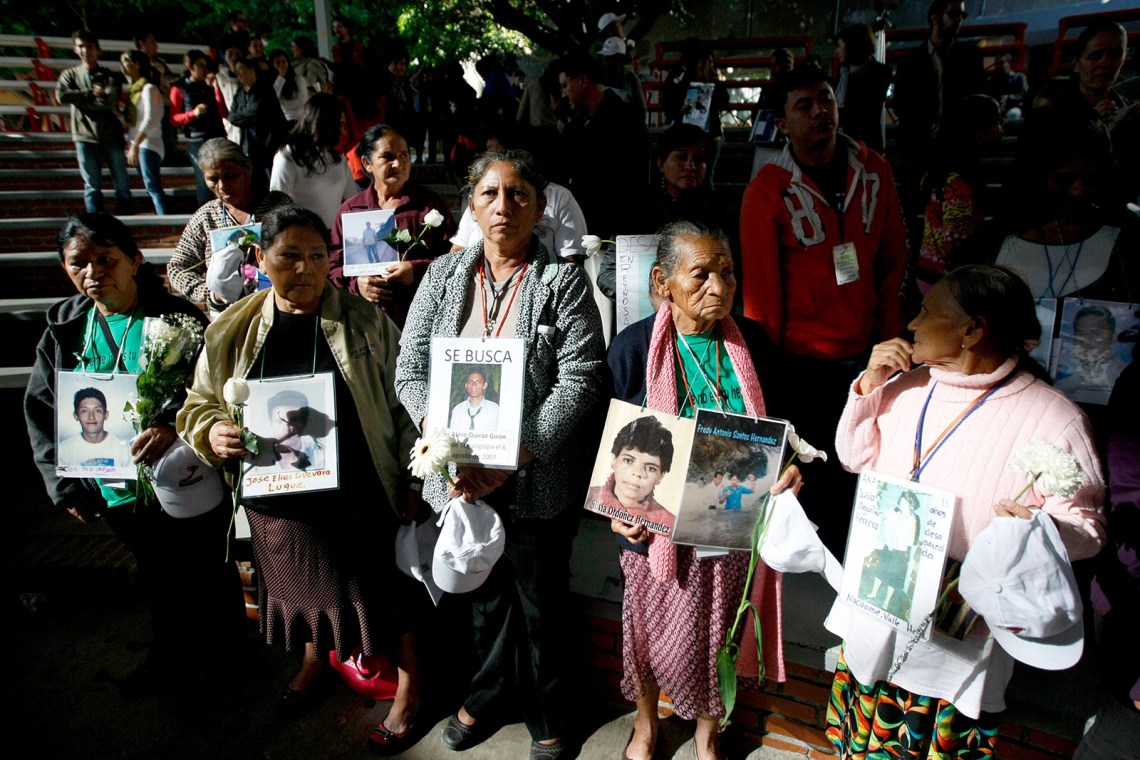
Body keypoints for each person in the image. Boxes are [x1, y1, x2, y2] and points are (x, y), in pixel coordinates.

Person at [825, 264, 1105, 758]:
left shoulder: (1055, 417)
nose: (911, 325)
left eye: (927, 312)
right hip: (881, 600)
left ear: (972, 330)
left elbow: (1089, 526)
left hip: (958, 626)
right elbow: (853, 457)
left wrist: (1038, 532)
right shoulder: (906, 387)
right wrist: (869, 385)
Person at [176, 205, 424, 750]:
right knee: (302, 590)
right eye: (289, 256)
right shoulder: (230, 329)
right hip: (279, 497)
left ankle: (410, 688)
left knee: (386, 593)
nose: (306, 269)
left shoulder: (363, 321)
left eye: (317, 256)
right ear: (261, 260)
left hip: (359, 488)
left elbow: (405, 403)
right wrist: (213, 432)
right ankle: (317, 661)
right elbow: (197, 404)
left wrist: (412, 475)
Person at [394, 150, 605, 760]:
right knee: (481, 596)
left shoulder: (560, 280)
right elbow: (410, 370)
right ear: (471, 205)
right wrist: (440, 436)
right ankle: (485, 697)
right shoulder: (442, 278)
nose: (503, 206)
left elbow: (582, 376)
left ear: (539, 207)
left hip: (533, 474)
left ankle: (549, 711)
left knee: (541, 602)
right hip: (460, 472)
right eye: (490, 194)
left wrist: (521, 448)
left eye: (518, 194)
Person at [25, 213, 243, 694]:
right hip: (111, 478)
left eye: (106, 259)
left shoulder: (175, 319)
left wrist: (170, 423)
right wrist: (63, 486)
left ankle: (225, 657)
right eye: (79, 263)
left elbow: (211, 388)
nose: (93, 272)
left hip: (182, 473)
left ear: (135, 260)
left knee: (207, 564)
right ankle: (168, 655)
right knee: (157, 572)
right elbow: (40, 407)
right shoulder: (65, 330)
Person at [604, 221, 798, 760]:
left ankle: (708, 733)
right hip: (652, 525)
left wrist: (787, 466)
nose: (720, 286)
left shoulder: (751, 342)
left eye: (728, 272)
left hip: (728, 524)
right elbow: (607, 443)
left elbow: (780, 430)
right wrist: (616, 509)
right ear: (663, 282)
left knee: (721, 635)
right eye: (702, 274)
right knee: (644, 633)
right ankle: (646, 725)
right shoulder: (634, 346)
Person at [739, 66, 908, 556]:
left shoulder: (874, 169)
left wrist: (889, 338)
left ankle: (860, 568)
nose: (820, 112)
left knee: (866, 469)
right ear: (783, 123)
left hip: (868, 355)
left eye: (826, 99)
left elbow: (895, 258)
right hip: (800, 364)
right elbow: (761, 300)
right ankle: (818, 571)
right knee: (815, 476)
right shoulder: (766, 191)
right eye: (804, 105)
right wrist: (766, 381)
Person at [329, 123, 455, 327]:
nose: (398, 163)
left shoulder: (430, 206)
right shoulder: (351, 210)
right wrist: (358, 284)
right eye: (388, 157)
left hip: (420, 319)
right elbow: (333, 266)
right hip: (364, 322)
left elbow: (454, 259)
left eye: (404, 155)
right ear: (367, 163)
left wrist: (416, 269)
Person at [168, 138, 292, 318]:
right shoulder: (206, 216)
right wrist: (212, 293)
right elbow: (177, 267)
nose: (222, 186)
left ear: (247, 169)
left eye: (230, 176)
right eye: (213, 179)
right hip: (227, 316)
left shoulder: (278, 207)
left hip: (276, 309)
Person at [892, 0, 985, 223]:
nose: (960, 20)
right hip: (920, 146)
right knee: (913, 211)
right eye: (954, 14)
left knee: (958, 215)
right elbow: (901, 103)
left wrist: (950, 124)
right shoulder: (910, 61)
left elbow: (977, 99)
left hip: (958, 145)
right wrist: (925, 124)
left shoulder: (970, 56)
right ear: (935, 17)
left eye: (962, 15)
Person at [911, 94, 1003, 296]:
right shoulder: (959, 186)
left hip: (928, 273)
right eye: (996, 121)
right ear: (977, 130)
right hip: (947, 282)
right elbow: (955, 245)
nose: (1001, 128)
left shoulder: (939, 174)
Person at [557, 51, 650, 243]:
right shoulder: (577, 123)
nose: (563, 93)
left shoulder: (625, 118)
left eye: (565, 85)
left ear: (582, 80)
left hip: (619, 225)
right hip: (585, 222)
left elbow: (634, 176)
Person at [58, 30, 133, 215]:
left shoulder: (109, 76)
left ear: (97, 50)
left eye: (89, 46)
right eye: (81, 46)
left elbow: (109, 103)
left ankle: (126, 222)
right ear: (75, 49)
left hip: (111, 136)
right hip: (84, 136)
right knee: (92, 186)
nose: (85, 50)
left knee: (122, 184)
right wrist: (90, 93)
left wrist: (80, 99)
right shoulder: (69, 75)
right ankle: (95, 226)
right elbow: (61, 96)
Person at [269, 94, 357, 229]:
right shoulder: (288, 156)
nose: (343, 131)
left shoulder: (338, 159)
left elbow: (354, 201)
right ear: (324, 123)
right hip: (304, 239)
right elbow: (277, 207)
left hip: (334, 238)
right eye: (339, 124)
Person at [587, 416, 673, 523]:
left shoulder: (668, 522)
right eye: (628, 460)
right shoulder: (589, 497)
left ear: (661, 476)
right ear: (614, 459)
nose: (637, 473)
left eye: (650, 468)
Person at [171, 49, 227, 205]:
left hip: (217, 136)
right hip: (197, 139)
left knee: (223, 176)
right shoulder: (179, 88)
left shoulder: (209, 85)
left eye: (205, 65)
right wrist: (193, 114)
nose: (204, 69)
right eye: (200, 65)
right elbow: (174, 119)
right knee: (205, 180)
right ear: (190, 66)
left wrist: (216, 88)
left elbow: (224, 112)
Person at [119, 50, 168, 216]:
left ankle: (164, 220)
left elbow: (151, 119)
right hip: (138, 143)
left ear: (136, 64)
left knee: (152, 185)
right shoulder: (133, 92)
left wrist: (135, 145)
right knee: (149, 186)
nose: (122, 65)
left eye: (124, 61)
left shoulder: (149, 88)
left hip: (149, 144)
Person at [229, 56, 287, 192]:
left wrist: (245, 115)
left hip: (270, 144)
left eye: (240, 70)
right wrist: (248, 115)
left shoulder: (265, 89)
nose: (238, 74)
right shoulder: (240, 94)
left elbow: (257, 110)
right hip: (251, 147)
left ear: (251, 69)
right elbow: (233, 117)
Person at [833, 24, 891, 154]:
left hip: (867, 146)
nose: (837, 51)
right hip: (842, 145)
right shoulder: (843, 73)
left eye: (840, 46)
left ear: (852, 46)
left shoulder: (880, 72)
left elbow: (863, 111)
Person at [58, 387, 131, 467]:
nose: (91, 417)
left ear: (106, 415)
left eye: (97, 411)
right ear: (76, 416)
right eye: (84, 411)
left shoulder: (124, 449)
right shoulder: (63, 450)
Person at [268, 49, 309, 126]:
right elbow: (272, 98)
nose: (281, 65)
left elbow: (302, 101)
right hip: (280, 121)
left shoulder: (299, 79)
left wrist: (282, 104)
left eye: (284, 61)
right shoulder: (270, 81)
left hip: (299, 119)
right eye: (277, 62)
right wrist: (281, 78)